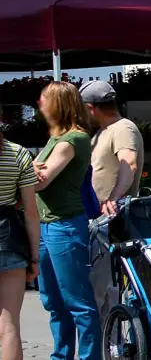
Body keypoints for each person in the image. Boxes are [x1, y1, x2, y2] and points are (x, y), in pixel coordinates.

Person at [30, 83, 97, 360]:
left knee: (77, 301)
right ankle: (62, 355)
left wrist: (26, 167)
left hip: (64, 226)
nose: (39, 105)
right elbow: (35, 172)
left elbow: (40, 180)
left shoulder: (75, 139)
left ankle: (89, 356)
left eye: (44, 100)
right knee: (53, 301)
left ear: (58, 103)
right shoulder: (55, 138)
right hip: (47, 226)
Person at [81, 80, 142, 324]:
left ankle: (110, 344)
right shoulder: (104, 131)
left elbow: (130, 163)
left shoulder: (122, 128)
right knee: (101, 289)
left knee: (106, 289)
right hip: (101, 220)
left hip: (110, 221)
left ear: (91, 107)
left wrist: (114, 198)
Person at [0, 127, 41, 360]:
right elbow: (31, 212)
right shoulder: (18, 153)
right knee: (9, 326)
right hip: (9, 239)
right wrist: (34, 257)